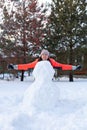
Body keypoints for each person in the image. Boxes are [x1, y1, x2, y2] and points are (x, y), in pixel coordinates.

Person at [8, 49, 81, 71]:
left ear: (48, 56)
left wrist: (74, 67)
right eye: (43, 54)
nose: (45, 56)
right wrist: (14, 67)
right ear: (41, 55)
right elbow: (27, 66)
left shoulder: (52, 62)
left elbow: (62, 66)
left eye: (46, 55)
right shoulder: (38, 61)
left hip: (48, 80)